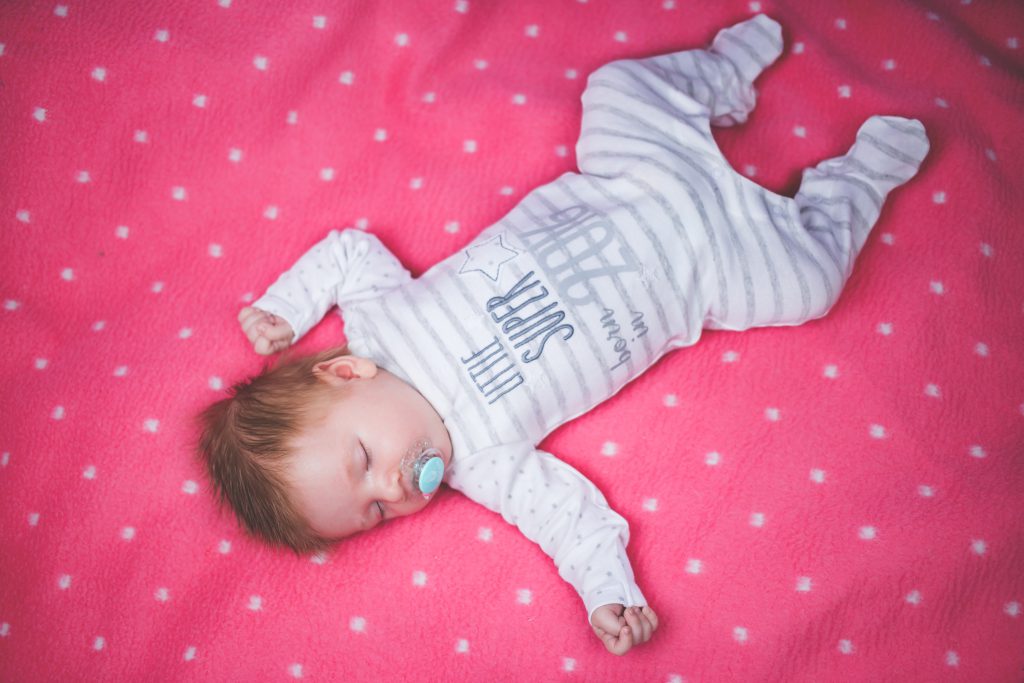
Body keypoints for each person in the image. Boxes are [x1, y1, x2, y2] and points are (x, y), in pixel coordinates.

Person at [198, 14, 929, 655]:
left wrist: (285, 308)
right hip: (705, 271)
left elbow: (350, 250)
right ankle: (854, 184)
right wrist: (607, 590)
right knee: (810, 285)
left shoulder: (379, 324)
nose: (393, 486)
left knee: (616, 88)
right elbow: (567, 516)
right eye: (377, 511)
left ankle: (721, 73)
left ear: (345, 374)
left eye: (363, 459)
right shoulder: (481, 461)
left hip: (632, 176)